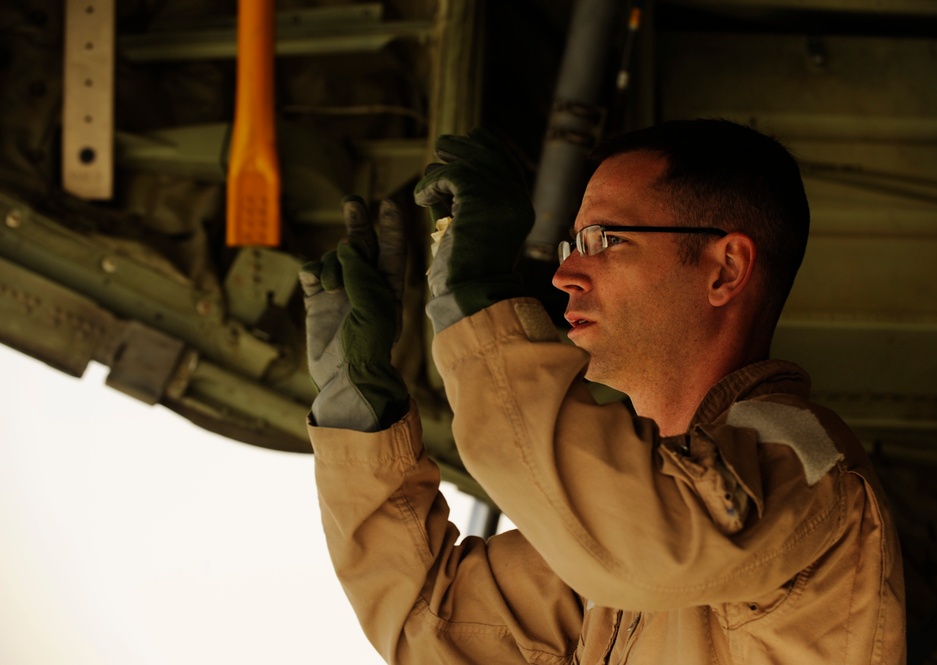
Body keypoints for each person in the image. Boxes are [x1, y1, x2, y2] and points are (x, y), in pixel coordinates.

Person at [300, 119, 906, 664]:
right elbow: (433, 626)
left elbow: (648, 542)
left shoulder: (807, 465)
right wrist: (359, 414)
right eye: (574, 244)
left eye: (605, 240)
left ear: (724, 269)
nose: (565, 274)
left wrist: (478, 301)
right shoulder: (623, 535)